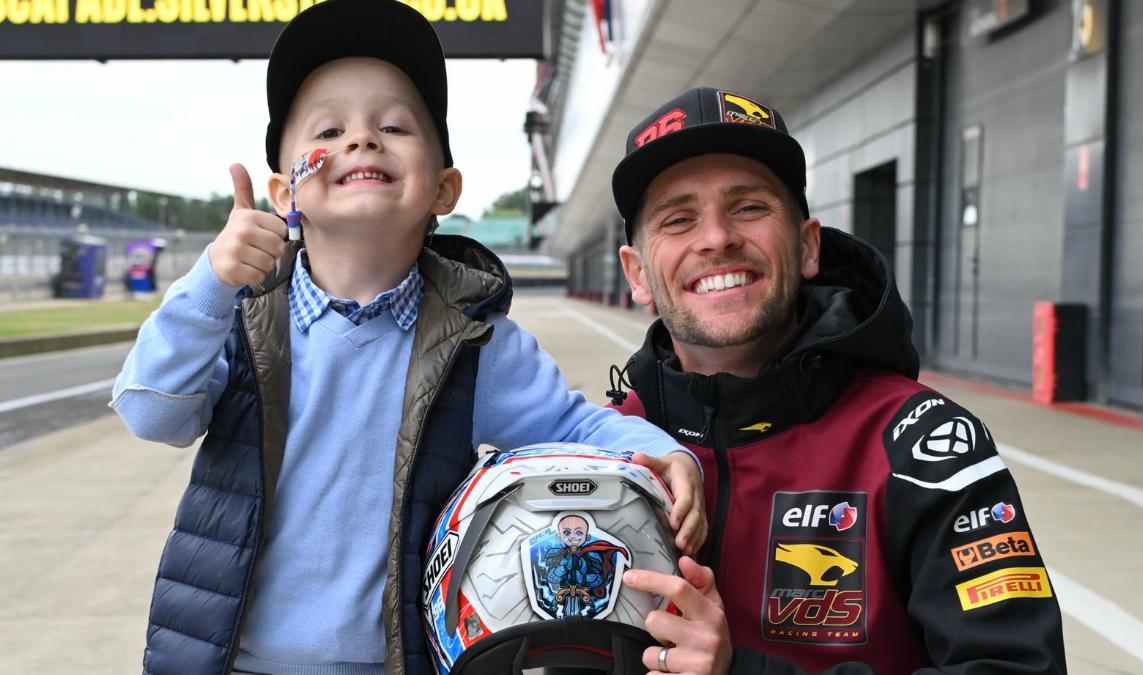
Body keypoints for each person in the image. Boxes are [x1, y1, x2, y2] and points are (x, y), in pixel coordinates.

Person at [109, 2, 705, 673]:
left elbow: (575, 426)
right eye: (330, 130)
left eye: (393, 126)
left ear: (444, 189)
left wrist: (663, 452)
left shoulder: (477, 344)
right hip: (232, 660)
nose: (363, 139)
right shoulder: (240, 319)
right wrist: (210, 283)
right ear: (284, 192)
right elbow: (151, 412)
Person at [609, 87, 1067, 674]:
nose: (717, 237)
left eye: (749, 207)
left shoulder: (921, 446)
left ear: (807, 247)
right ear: (637, 274)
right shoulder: (605, 450)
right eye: (679, 219)